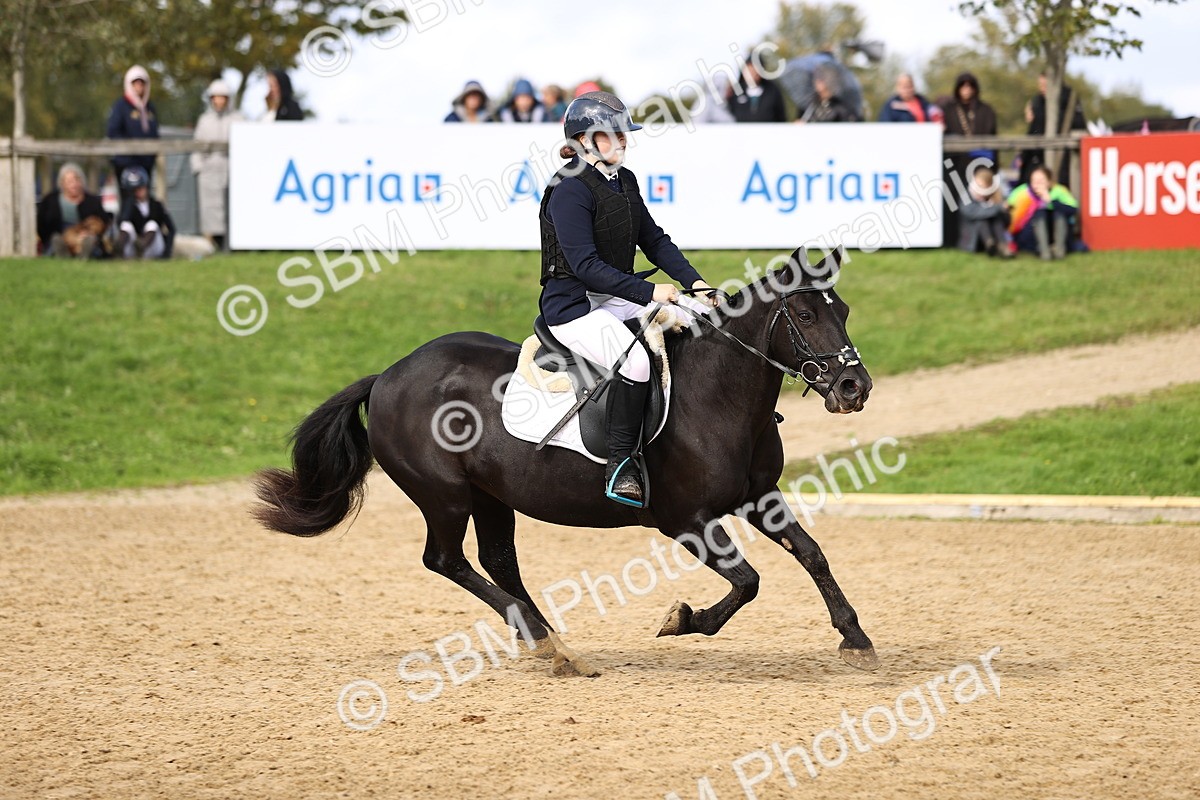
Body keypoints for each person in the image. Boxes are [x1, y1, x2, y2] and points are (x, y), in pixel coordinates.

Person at [539, 91, 720, 506]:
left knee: (697, 322)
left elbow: (654, 240)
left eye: (623, 134)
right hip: (573, 307)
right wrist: (650, 291)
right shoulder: (568, 190)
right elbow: (583, 265)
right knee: (636, 361)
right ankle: (620, 465)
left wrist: (695, 284)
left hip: (614, 296)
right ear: (584, 140)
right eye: (612, 135)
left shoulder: (625, 181)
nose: (622, 141)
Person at [941, 73, 998, 249]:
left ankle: (984, 241)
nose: (966, 90)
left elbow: (993, 139)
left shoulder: (985, 110)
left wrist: (994, 168)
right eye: (963, 86)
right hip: (955, 166)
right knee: (954, 203)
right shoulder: (949, 110)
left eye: (970, 86)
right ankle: (955, 240)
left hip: (979, 165)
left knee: (980, 203)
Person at [191, 78, 243, 251]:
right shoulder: (204, 120)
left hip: (230, 169)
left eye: (223, 97)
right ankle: (213, 244)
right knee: (210, 209)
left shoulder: (237, 119)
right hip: (209, 171)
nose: (219, 101)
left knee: (231, 207)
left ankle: (234, 244)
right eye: (216, 97)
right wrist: (199, 168)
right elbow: (197, 146)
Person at [1019, 73, 1086, 185]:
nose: (1042, 89)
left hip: (1064, 157)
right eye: (1040, 85)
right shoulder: (1037, 101)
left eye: (1045, 85)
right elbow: (1033, 130)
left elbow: (1079, 125)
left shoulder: (1069, 100)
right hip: (1039, 156)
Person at [36, 162, 111, 258]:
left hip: (86, 233)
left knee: (90, 241)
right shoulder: (50, 200)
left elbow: (103, 222)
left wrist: (88, 233)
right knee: (56, 240)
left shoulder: (92, 201)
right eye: (69, 181)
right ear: (62, 183)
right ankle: (63, 256)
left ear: (82, 182)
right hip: (60, 235)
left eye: (76, 180)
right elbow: (42, 225)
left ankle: (83, 257)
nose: (74, 184)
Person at [106, 65, 160, 197]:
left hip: (146, 163)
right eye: (135, 83)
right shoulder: (121, 106)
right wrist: (129, 149)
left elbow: (154, 133)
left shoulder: (149, 108)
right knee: (129, 201)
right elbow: (113, 132)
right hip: (126, 163)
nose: (139, 87)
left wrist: (152, 154)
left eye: (142, 83)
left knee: (145, 201)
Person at [1007, 166, 1079, 260]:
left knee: (1059, 213)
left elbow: (1073, 209)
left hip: (1058, 229)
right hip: (1031, 233)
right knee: (1040, 213)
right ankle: (1044, 252)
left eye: (1041, 181)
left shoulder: (1059, 191)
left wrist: (1051, 201)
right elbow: (1009, 208)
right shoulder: (1023, 192)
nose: (1037, 184)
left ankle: (1059, 250)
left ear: (1049, 182)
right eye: (1034, 181)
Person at [115, 166, 174, 259]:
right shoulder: (128, 206)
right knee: (126, 225)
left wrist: (167, 251)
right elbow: (121, 222)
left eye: (140, 187)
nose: (138, 191)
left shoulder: (157, 205)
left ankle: (141, 246)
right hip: (132, 246)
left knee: (151, 224)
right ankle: (118, 253)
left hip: (153, 246)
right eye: (134, 189)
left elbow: (172, 229)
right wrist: (130, 203)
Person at [957, 166, 1012, 258]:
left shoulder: (996, 197)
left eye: (981, 186)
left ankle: (1002, 246)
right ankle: (989, 244)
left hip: (994, 233)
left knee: (996, 218)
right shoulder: (966, 195)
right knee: (982, 218)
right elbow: (971, 212)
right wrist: (998, 208)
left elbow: (1007, 222)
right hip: (973, 239)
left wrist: (1002, 210)